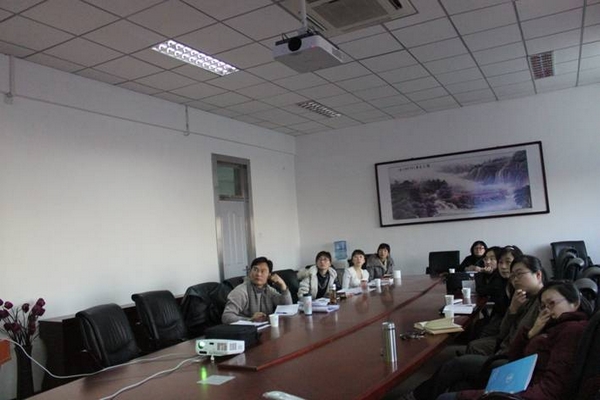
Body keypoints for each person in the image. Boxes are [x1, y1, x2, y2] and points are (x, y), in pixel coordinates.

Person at [410, 255, 546, 400]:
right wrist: (512, 310)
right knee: (460, 385)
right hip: (504, 353)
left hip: (514, 363)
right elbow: (503, 332)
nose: (515, 280)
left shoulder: (544, 303)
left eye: (519, 274)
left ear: (538, 275)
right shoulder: (523, 298)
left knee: (456, 365)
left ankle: (414, 397)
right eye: (513, 276)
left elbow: (524, 340)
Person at [438, 280, 592, 400]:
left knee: (448, 393)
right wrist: (532, 332)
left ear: (575, 303)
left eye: (552, 303)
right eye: (543, 306)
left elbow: (551, 390)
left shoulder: (571, 330)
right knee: (460, 384)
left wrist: (497, 395)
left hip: (522, 390)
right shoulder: (553, 325)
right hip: (518, 377)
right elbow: (515, 356)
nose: (547, 310)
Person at [467, 245, 523, 354]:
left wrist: (481, 273)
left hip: (510, 326)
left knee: (479, 336)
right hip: (501, 318)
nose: (503, 266)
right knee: (478, 327)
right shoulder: (502, 280)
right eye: (500, 262)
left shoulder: (519, 284)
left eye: (508, 262)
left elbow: (482, 290)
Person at [222, 256, 292, 324]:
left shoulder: (268, 290)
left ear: (269, 275)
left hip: (264, 328)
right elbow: (226, 317)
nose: (258, 274)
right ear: (250, 272)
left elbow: (287, 307)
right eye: (255, 269)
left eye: (263, 271)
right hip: (244, 330)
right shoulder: (240, 291)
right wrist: (250, 320)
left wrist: (283, 285)